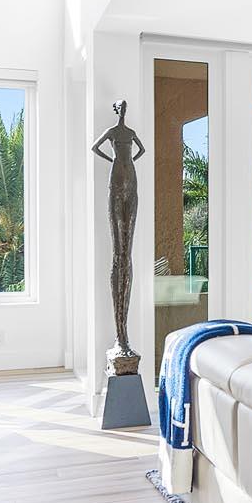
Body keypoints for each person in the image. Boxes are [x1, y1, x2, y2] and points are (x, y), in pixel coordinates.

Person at [92, 101, 146, 374]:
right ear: (117, 111)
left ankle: (124, 337)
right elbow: (95, 148)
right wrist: (114, 160)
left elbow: (142, 150)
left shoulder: (130, 132)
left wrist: (126, 161)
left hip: (130, 178)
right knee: (119, 254)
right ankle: (120, 334)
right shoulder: (113, 132)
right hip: (116, 178)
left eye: (125, 107)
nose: (123, 111)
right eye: (121, 108)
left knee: (127, 253)